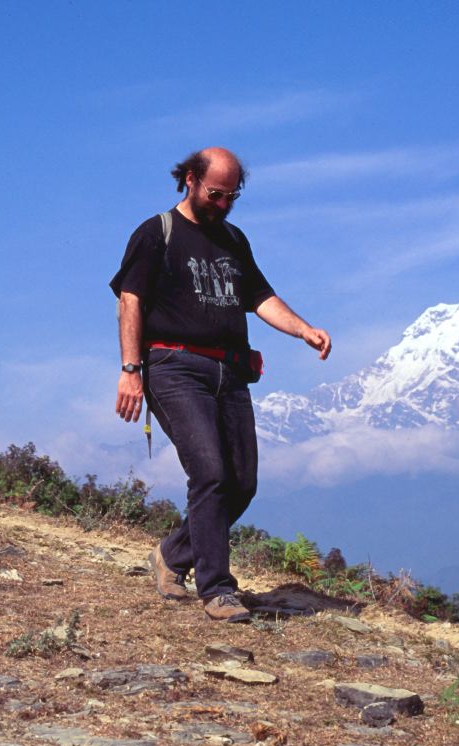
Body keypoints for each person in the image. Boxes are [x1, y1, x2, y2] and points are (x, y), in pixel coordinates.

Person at [109, 147, 331, 622]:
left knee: (241, 483)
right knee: (210, 473)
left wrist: (303, 330)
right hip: (174, 366)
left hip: (230, 372)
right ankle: (217, 590)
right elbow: (130, 300)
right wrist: (130, 371)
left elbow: (261, 297)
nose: (223, 204)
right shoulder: (156, 234)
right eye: (216, 194)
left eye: (232, 197)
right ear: (190, 179)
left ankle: (171, 555)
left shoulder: (233, 239)